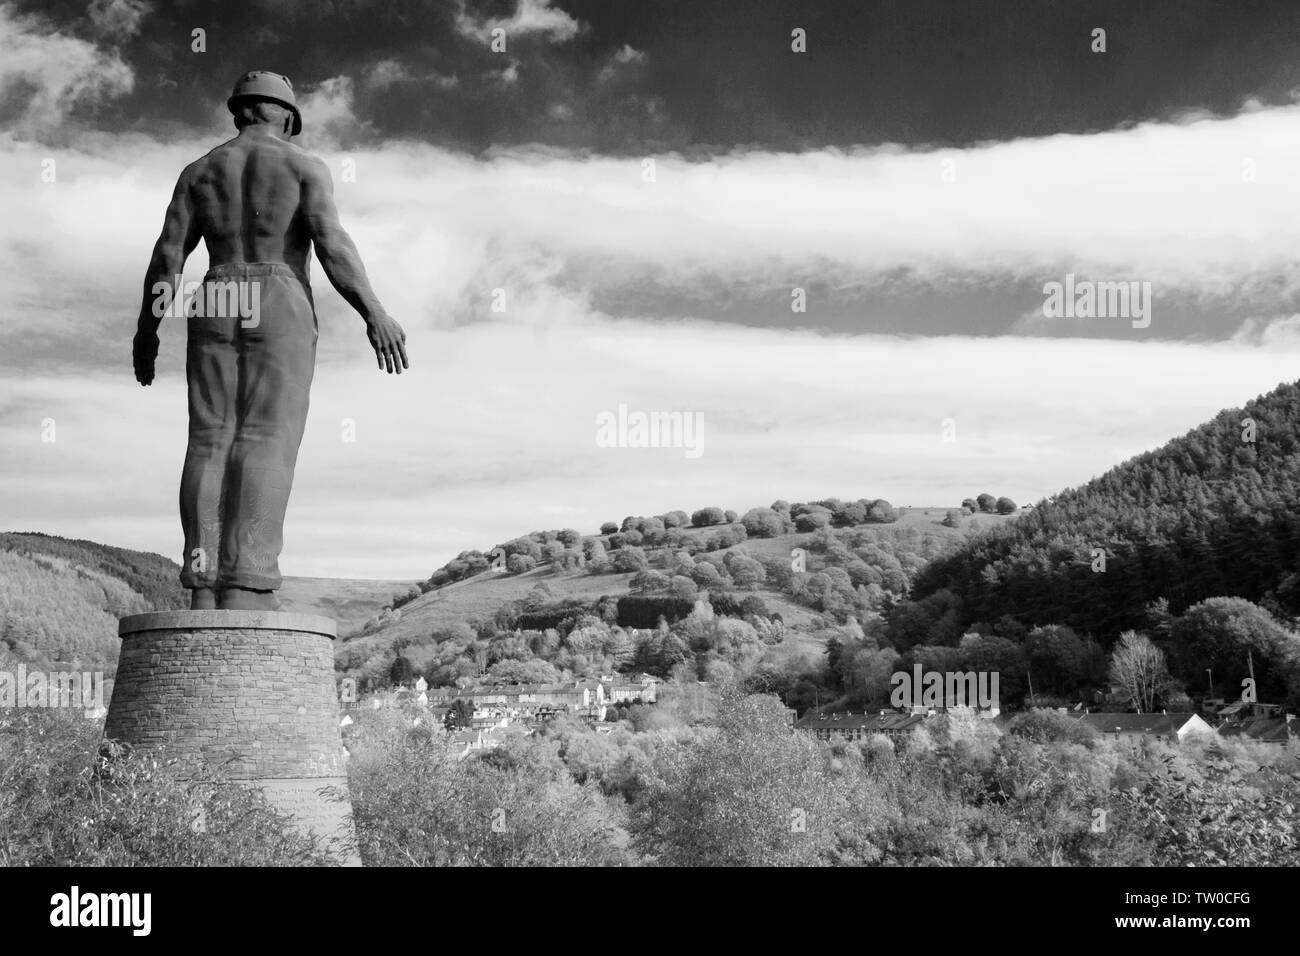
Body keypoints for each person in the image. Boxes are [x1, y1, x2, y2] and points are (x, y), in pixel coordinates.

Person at [132, 71, 408, 611]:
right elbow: (330, 242)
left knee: (209, 438)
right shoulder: (303, 165)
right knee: (266, 437)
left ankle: (204, 586)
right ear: (285, 115)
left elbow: (167, 256)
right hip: (277, 290)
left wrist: (147, 329)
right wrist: (373, 310)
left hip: (216, 291)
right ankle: (248, 583)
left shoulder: (199, 171)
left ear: (239, 112)